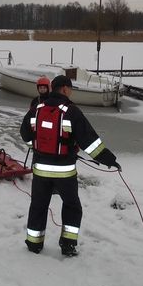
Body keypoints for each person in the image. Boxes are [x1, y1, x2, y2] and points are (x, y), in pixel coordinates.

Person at [20, 75, 121, 257]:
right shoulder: (72, 111)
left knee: (38, 206)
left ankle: (34, 244)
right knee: (72, 206)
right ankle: (67, 245)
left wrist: (38, 150)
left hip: (40, 170)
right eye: (71, 89)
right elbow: (90, 142)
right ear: (65, 89)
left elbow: (25, 134)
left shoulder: (36, 109)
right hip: (65, 173)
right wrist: (109, 160)